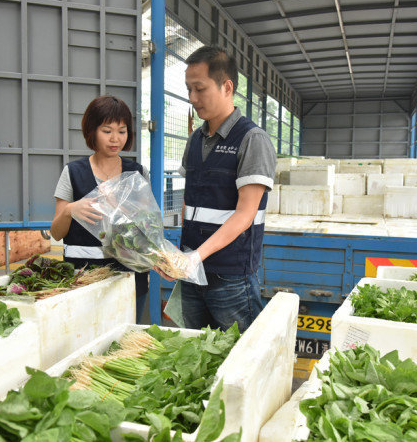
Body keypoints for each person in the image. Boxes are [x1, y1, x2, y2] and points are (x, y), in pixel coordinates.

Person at [157, 45, 276, 333]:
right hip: (192, 274)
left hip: (230, 278)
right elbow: (191, 203)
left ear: (227, 86)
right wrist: (180, 257)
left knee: (239, 356)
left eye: (200, 89)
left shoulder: (252, 139)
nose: (192, 98)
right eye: (188, 89)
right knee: (195, 352)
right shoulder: (195, 139)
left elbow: (245, 215)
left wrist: (197, 255)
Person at [51, 95, 149, 323]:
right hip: (83, 279)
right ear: (92, 131)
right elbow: (56, 233)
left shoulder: (137, 174)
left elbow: (147, 230)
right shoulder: (73, 172)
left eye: (122, 131)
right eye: (107, 131)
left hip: (129, 277)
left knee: (124, 342)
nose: (116, 139)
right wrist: (69, 210)